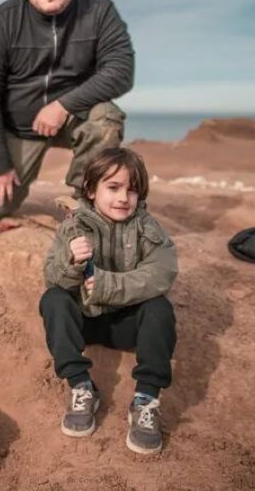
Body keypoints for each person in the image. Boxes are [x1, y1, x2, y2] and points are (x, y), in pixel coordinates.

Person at [0, 0, 135, 218]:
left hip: (75, 116)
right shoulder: (2, 20)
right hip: (20, 126)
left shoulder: (99, 11)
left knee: (106, 118)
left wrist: (63, 106)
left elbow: (121, 71)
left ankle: (85, 207)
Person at [39, 147, 178, 454]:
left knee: (160, 308)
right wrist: (71, 260)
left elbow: (162, 273)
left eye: (132, 190)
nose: (123, 198)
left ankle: (146, 399)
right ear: (91, 189)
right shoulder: (74, 226)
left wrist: (108, 284)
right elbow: (52, 276)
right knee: (53, 300)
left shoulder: (147, 227)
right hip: (84, 321)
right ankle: (81, 385)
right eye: (113, 188)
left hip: (127, 324)